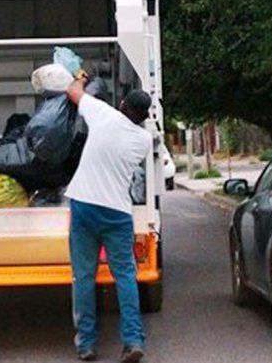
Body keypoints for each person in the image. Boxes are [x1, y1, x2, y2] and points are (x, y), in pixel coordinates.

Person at [64, 72, 153, 363]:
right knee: (125, 276)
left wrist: (80, 75)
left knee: (84, 276)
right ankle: (132, 341)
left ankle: (87, 345)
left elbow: (72, 92)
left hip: (85, 206)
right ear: (143, 116)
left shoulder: (103, 115)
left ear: (123, 103)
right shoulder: (143, 140)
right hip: (117, 213)